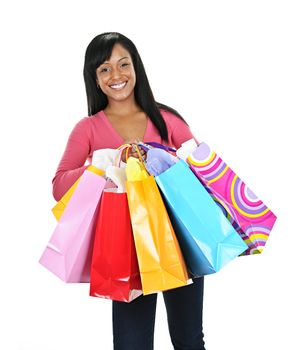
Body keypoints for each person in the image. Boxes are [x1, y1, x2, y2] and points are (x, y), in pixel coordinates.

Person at [52, 32, 206, 350]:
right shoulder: (89, 128)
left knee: (189, 341)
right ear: (94, 79)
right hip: (125, 249)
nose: (117, 75)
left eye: (124, 64)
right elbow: (59, 186)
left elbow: (199, 171)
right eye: (105, 69)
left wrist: (161, 160)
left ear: (136, 67)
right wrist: (103, 166)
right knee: (131, 344)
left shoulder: (166, 119)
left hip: (177, 240)